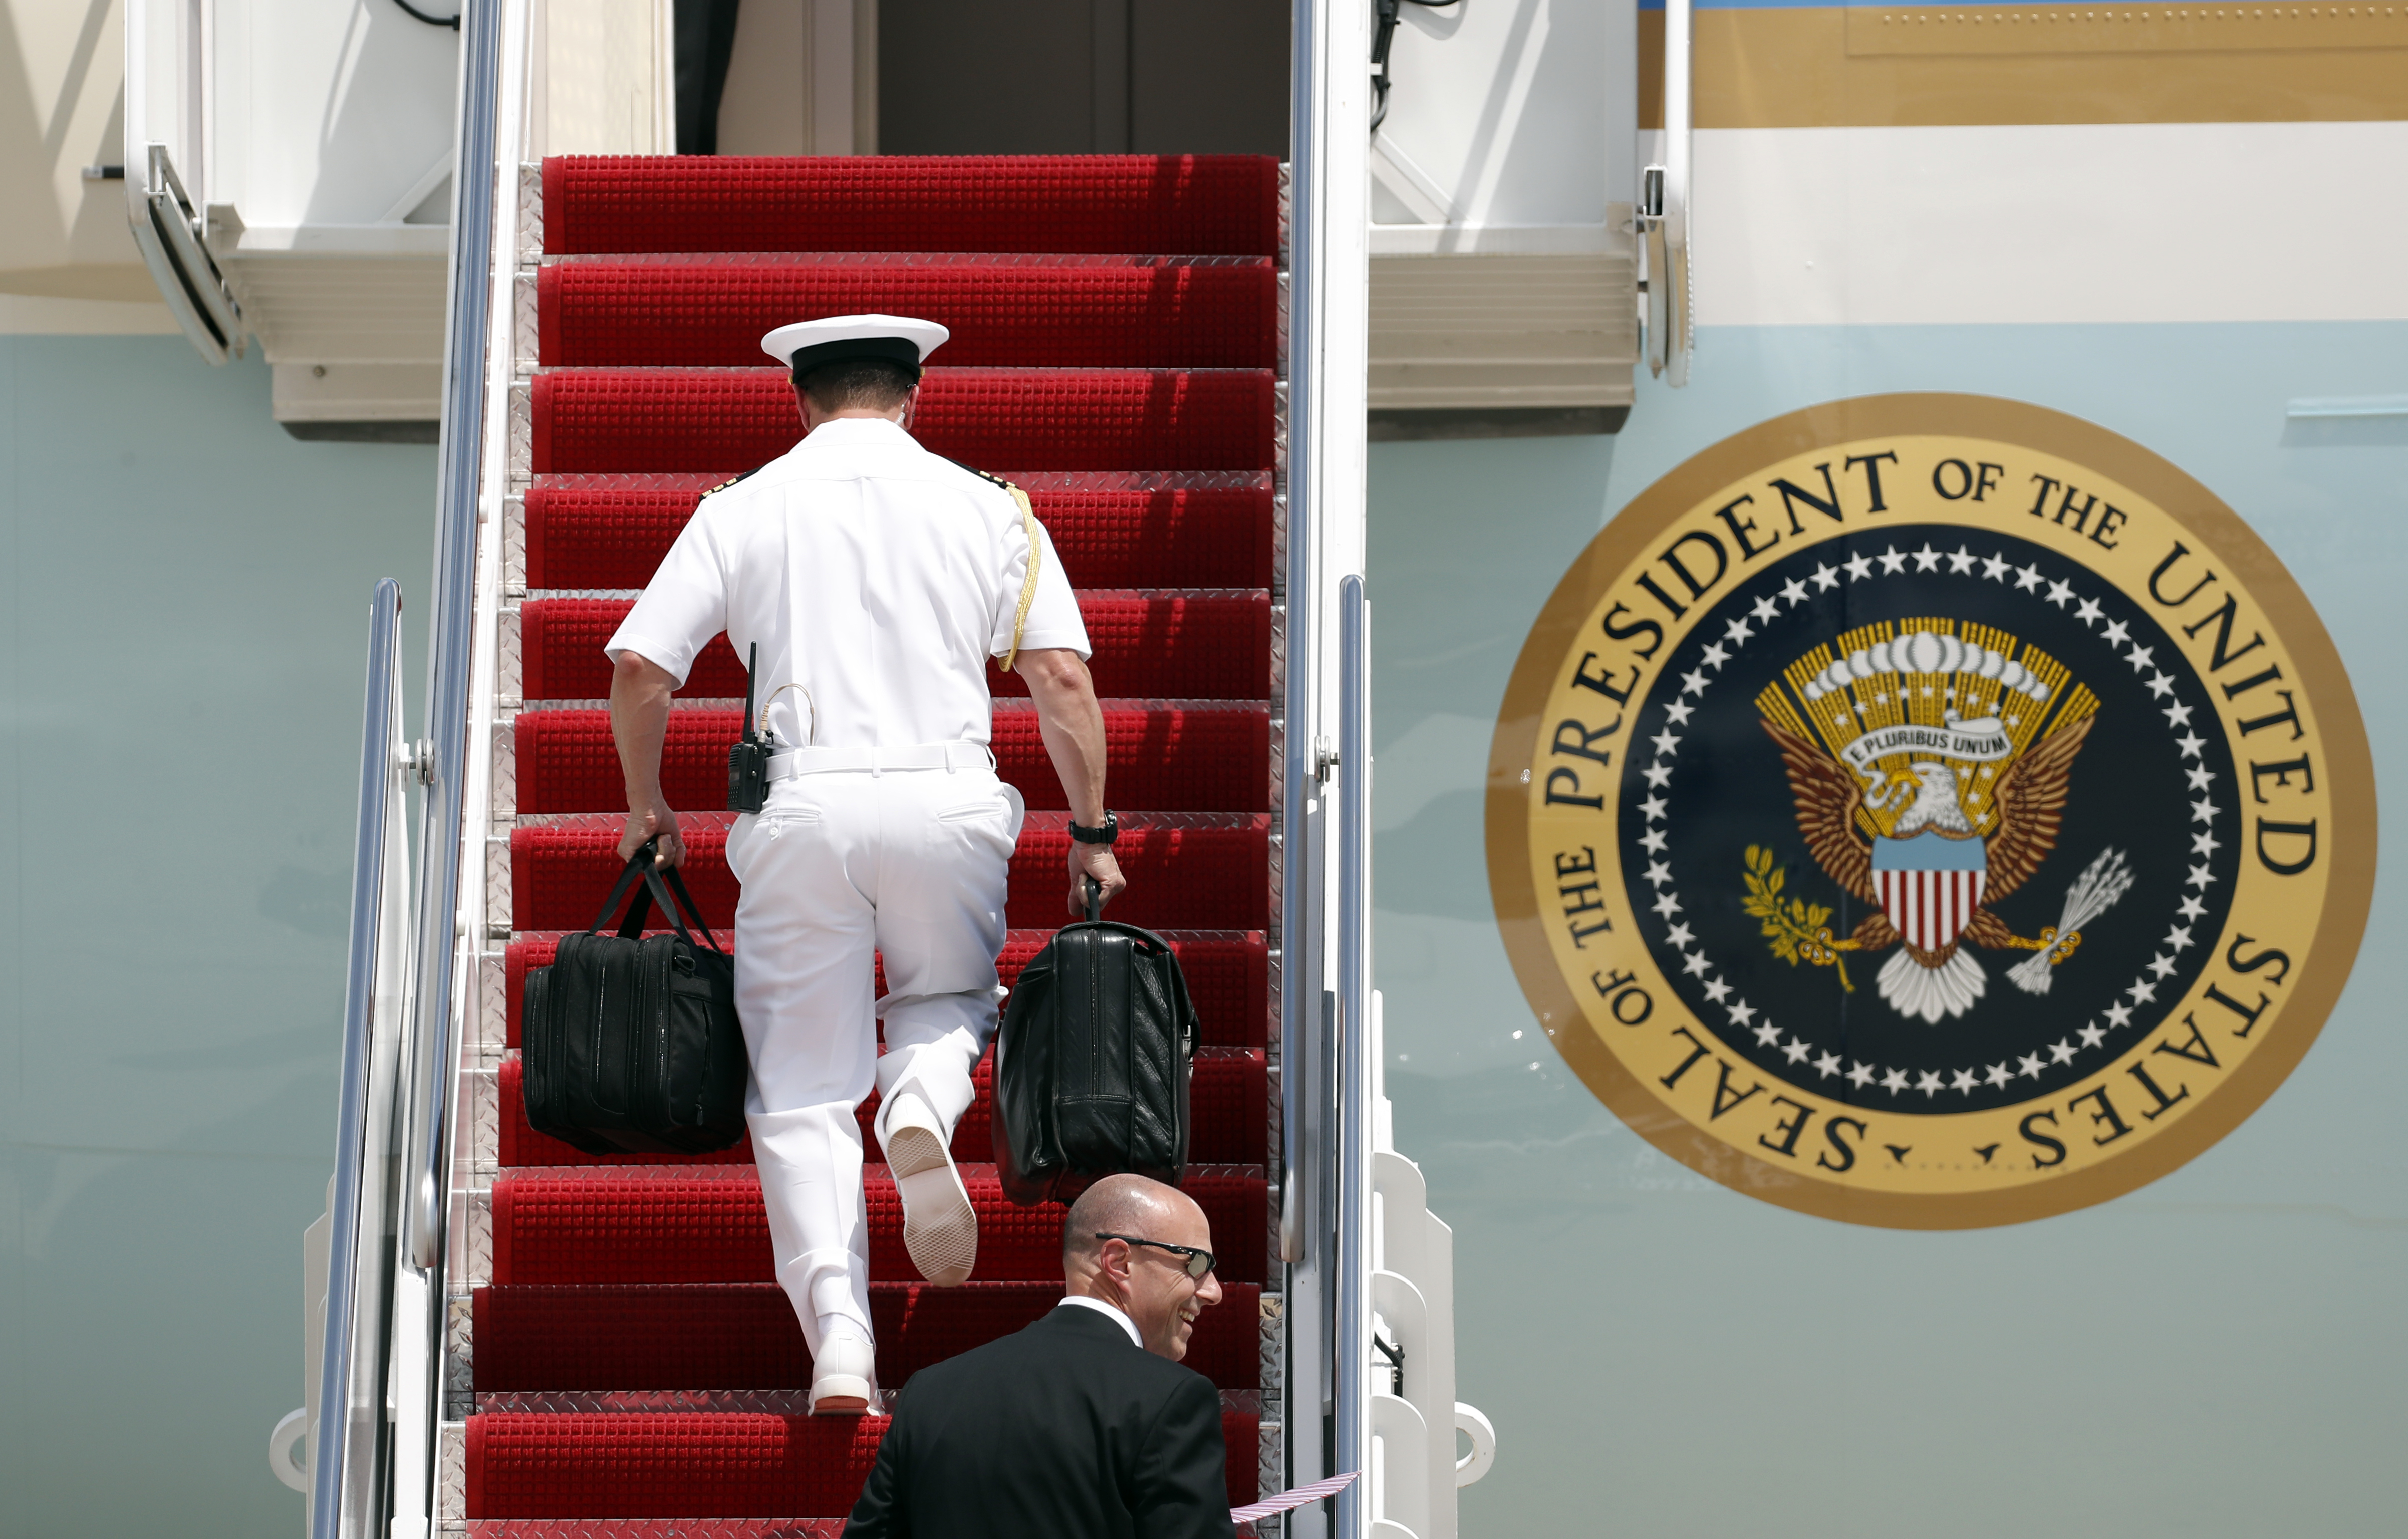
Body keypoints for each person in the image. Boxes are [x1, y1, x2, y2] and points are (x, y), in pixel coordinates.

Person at [603, 314, 1129, 1414]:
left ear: (798, 401)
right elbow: (1064, 682)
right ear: (913, 397)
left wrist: (646, 804)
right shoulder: (992, 510)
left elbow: (644, 670)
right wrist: (1091, 831)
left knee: (798, 1087)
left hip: (801, 809)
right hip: (946, 799)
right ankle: (922, 1105)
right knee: (945, 994)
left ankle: (839, 1338)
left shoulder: (739, 509)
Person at [843, 1174, 1237, 1539]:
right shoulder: (1170, 1398)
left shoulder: (930, 1392)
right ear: (1118, 1262)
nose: (1214, 1291)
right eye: (1195, 1264)